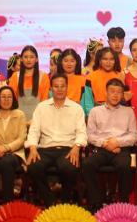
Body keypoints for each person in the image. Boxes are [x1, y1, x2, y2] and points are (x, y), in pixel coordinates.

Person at [26, 73, 86, 207]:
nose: (59, 89)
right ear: (51, 88)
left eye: (62, 86)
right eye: (56, 86)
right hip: (45, 149)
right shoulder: (41, 107)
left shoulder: (76, 108)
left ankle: (65, 201)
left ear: (67, 87)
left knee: (69, 168)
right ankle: (50, 201)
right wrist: (33, 148)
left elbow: (82, 132)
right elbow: (34, 130)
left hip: (68, 149)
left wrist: (77, 147)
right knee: (33, 167)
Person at [84, 78, 137, 211]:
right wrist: (105, 143)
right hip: (101, 149)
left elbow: (134, 136)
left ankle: (123, 203)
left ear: (122, 95)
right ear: (106, 93)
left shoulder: (128, 111)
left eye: (118, 92)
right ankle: (96, 202)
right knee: (87, 164)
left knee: (125, 165)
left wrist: (117, 142)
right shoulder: (95, 111)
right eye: (112, 91)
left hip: (121, 149)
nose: (115, 95)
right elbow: (89, 135)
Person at [9, 46, 51, 123]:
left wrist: (35, 121)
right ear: (21, 59)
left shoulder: (43, 76)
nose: (28, 60)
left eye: (31, 57)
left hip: (38, 121)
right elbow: (12, 101)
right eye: (25, 57)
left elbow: (44, 102)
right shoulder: (15, 76)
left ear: (36, 59)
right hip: (18, 121)